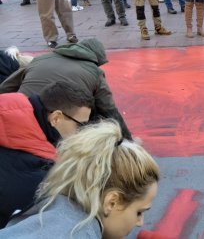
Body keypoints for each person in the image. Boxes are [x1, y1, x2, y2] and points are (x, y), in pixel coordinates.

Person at [0, 121, 160, 238]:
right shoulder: (77, 233)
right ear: (112, 202)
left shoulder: (55, 209)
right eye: (139, 212)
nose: (140, 222)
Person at [0, 81, 94, 228]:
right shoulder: (38, 174)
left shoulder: (11, 114)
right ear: (56, 118)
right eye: (81, 125)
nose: (82, 133)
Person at [0, 38, 133, 139]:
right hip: (54, 126)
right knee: (94, 115)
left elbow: (6, 87)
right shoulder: (95, 72)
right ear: (96, 59)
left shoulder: (41, 58)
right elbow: (110, 110)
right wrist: (128, 141)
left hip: (19, 116)